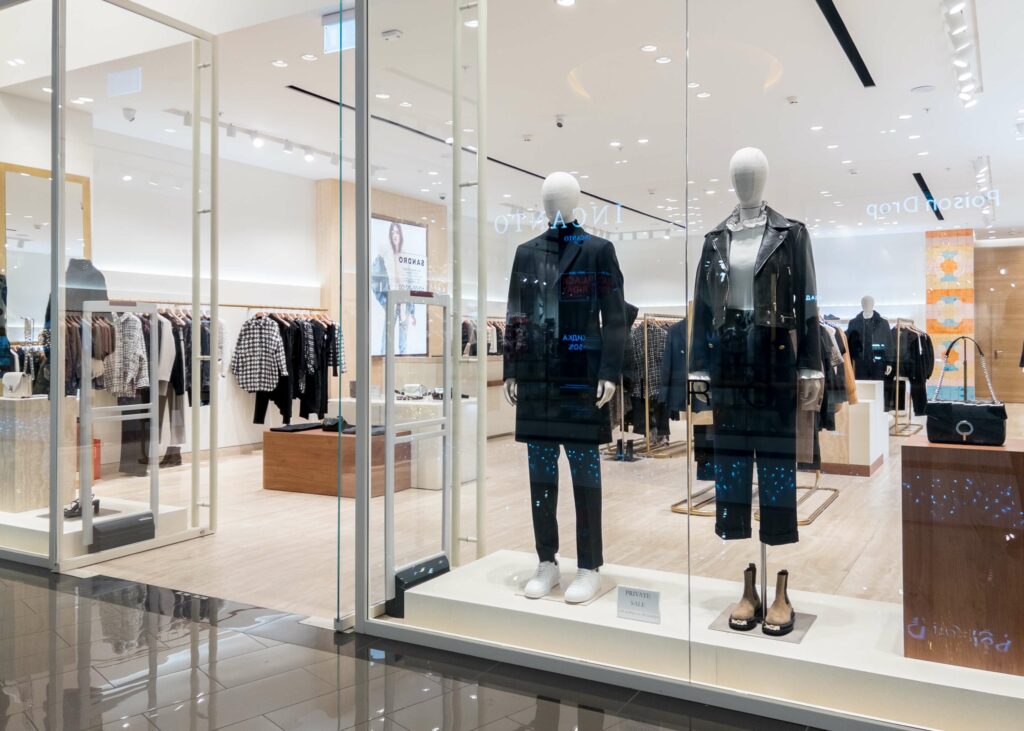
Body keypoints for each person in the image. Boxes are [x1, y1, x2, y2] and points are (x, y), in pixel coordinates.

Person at [371, 221, 416, 355]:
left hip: (405, 304)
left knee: (403, 342)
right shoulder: (383, 255)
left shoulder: (406, 256)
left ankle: (402, 364)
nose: (395, 235)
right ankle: (383, 363)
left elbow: (411, 284)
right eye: (392, 232)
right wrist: (385, 302)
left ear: (400, 235)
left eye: (397, 232)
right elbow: (374, 279)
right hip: (391, 303)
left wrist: (412, 311)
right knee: (387, 339)